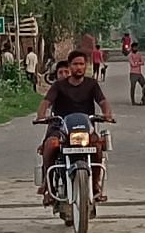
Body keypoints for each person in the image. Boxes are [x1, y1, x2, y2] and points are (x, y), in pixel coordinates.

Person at [36, 48, 113, 203]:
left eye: (82, 64)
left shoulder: (92, 84)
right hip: (62, 128)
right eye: (75, 64)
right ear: (70, 67)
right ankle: (49, 186)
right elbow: (46, 102)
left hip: (86, 128)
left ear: (86, 66)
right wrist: (41, 115)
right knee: (51, 145)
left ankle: (95, 184)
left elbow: (103, 101)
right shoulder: (59, 85)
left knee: (97, 147)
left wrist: (107, 114)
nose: (79, 67)